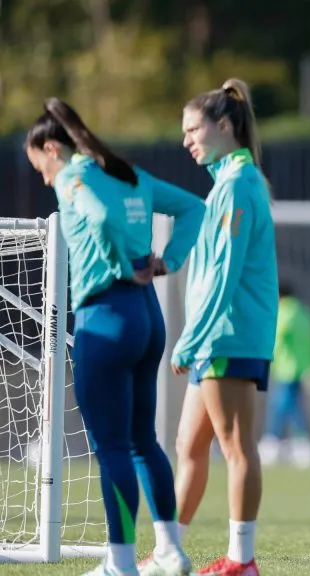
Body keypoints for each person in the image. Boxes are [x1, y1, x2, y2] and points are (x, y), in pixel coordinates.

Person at [24, 98, 205, 576]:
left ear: (51, 149)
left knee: (110, 447)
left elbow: (100, 220)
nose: (44, 178)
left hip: (106, 316)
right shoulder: (130, 175)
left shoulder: (73, 178)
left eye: (39, 166)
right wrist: (167, 260)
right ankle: (169, 550)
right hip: (148, 317)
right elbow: (193, 207)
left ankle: (121, 563)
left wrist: (122, 265)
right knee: (144, 440)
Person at [161, 78, 278, 576]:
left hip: (227, 336)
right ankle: (170, 549)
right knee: (189, 446)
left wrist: (190, 338)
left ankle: (241, 560)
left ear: (224, 126)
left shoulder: (237, 185)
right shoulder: (228, 184)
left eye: (194, 128)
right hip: (215, 337)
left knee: (236, 448)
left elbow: (224, 276)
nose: (187, 140)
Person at [258, 282, 310, 469]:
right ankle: (300, 444)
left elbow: (277, 338)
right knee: (292, 405)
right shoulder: (305, 313)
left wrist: (269, 357)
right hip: (303, 367)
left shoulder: (285, 312)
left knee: (282, 406)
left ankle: (273, 442)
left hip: (286, 368)